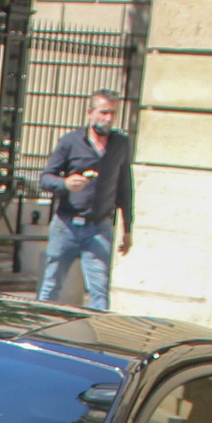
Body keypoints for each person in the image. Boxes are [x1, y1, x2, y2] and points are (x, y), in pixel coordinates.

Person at [37, 89, 134, 309]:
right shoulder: (70, 142)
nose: (108, 119)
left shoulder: (120, 144)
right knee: (51, 285)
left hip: (99, 228)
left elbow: (125, 187)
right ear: (90, 112)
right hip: (66, 226)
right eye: (104, 112)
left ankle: (95, 340)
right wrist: (65, 184)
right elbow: (45, 179)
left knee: (99, 291)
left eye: (112, 114)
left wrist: (128, 228)